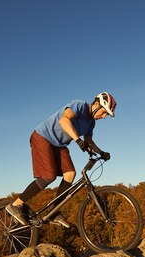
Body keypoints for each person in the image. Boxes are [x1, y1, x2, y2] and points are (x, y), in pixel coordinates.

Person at [6, 92, 117, 227]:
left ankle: (54, 211)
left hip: (59, 145)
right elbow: (64, 120)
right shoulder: (79, 105)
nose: (104, 117)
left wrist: (101, 152)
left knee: (70, 174)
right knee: (49, 176)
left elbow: (89, 141)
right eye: (104, 112)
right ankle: (15, 205)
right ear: (97, 104)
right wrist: (77, 140)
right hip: (42, 137)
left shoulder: (91, 123)